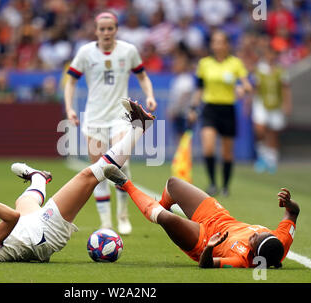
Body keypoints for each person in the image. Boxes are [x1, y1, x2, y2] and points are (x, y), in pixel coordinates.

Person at [0, 99, 154, 262]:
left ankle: (39, 177)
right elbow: (11, 219)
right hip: (45, 234)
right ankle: (139, 126)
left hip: (30, 229)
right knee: (88, 176)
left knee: (23, 202)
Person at [64, 11, 157, 235]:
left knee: (120, 164)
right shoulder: (86, 53)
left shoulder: (129, 51)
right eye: (102, 29)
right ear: (96, 31)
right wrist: (69, 108)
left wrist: (150, 95)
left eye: (110, 28)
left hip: (119, 116)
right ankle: (105, 222)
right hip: (94, 118)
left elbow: (142, 76)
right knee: (98, 170)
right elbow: (71, 82)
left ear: (116, 29)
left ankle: (122, 214)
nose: (106, 33)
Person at [104, 165, 299, 268]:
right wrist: (289, 204)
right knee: (173, 184)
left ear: (256, 256)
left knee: (167, 219)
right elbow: (293, 212)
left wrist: (210, 247)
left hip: (203, 238)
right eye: (259, 232)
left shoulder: (241, 260)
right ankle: (156, 209)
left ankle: (126, 185)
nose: (254, 235)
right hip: (218, 216)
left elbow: (206, 265)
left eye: (253, 240)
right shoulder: (279, 241)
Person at [190, 30, 252, 197]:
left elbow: (247, 85)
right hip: (210, 108)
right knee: (208, 147)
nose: (217, 45)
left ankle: (225, 186)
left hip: (227, 109)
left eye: (220, 42)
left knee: (226, 152)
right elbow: (199, 89)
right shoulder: (204, 64)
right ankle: (212, 183)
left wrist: (242, 88)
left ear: (226, 45)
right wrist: (193, 109)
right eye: (214, 42)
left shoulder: (235, 63)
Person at [252, 47, 292, 174]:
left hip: (276, 105)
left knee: (273, 133)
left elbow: (285, 88)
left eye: (273, 54)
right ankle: (262, 156)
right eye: (269, 53)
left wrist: (287, 104)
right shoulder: (259, 70)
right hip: (261, 103)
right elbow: (255, 87)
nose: (271, 56)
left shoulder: (281, 71)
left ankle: (272, 160)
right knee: (260, 130)